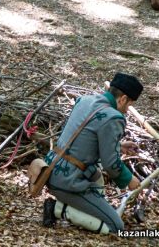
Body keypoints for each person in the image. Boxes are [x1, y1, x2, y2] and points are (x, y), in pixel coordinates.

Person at [42, 73, 144, 234]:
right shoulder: (113, 117)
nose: (127, 110)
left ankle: (87, 205)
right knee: (115, 226)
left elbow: (84, 137)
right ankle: (57, 208)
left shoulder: (85, 100)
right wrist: (129, 179)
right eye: (129, 105)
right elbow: (111, 164)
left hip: (51, 169)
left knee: (97, 178)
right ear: (123, 99)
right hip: (68, 181)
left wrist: (118, 145)